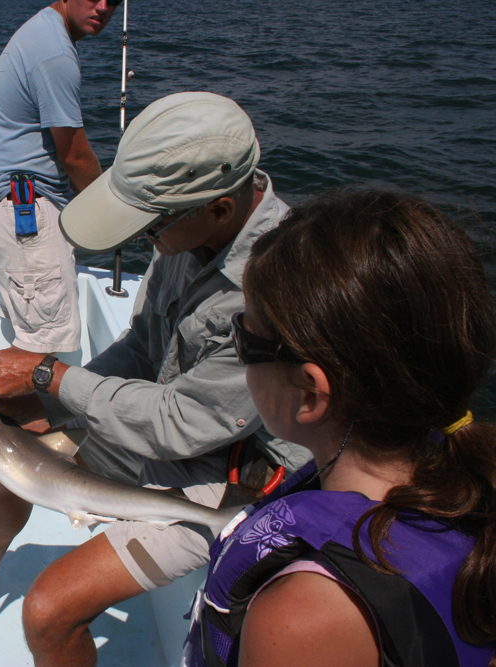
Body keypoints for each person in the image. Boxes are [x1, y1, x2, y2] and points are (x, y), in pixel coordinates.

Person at [0, 92, 310, 665]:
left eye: (152, 225)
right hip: (165, 425)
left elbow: (180, 427)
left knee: (47, 611)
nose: (144, 236)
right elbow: (143, 347)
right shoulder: (186, 228)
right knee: (12, 453)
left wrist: (49, 373)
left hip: (239, 478)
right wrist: (52, 402)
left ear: (219, 208)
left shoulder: (274, 287)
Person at [185, 188, 496, 666]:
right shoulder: (471, 483)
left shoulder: (302, 616)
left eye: (245, 337)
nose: (237, 346)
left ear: (310, 393)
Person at [0, 0, 119, 356]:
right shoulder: (55, 54)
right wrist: (116, 212)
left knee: (36, 337)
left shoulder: (41, 31)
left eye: (113, 1)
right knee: (44, 347)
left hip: (12, 204)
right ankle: (2, 406)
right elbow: (75, 156)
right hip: (24, 210)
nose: (103, 7)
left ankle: (6, 405)